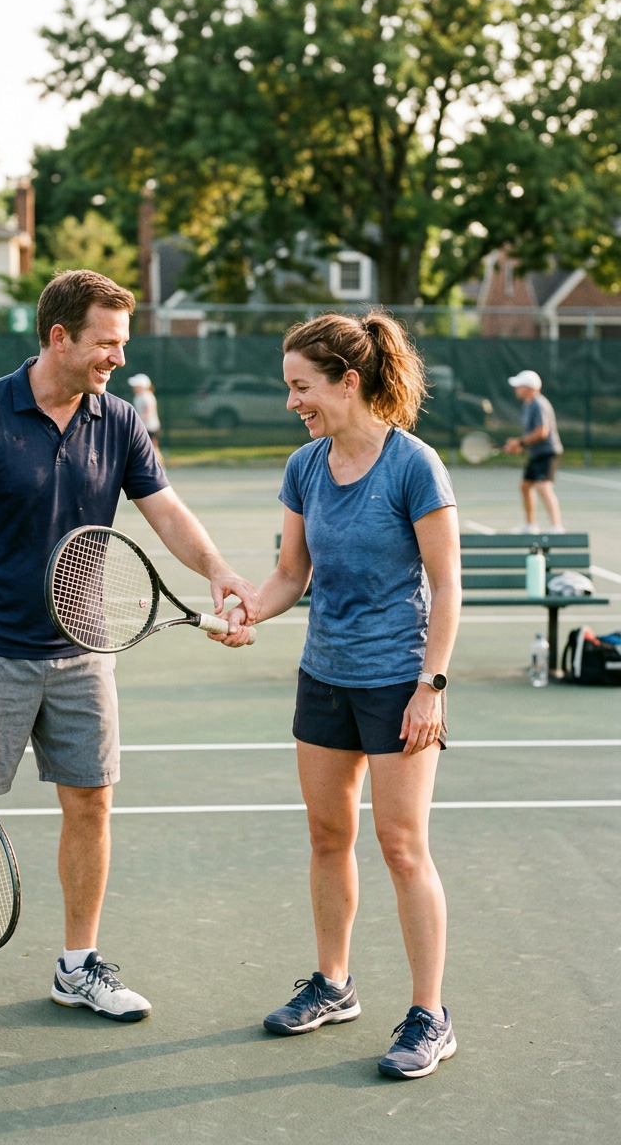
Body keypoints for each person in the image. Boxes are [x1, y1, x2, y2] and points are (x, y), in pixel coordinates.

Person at [0, 269, 259, 1032]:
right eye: (105, 343)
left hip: (84, 651)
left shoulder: (118, 420)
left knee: (91, 803)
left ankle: (78, 966)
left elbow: (166, 511)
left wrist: (221, 572)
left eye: (121, 345)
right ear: (60, 336)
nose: (115, 359)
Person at [216, 311, 462, 1080]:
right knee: (328, 837)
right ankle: (333, 984)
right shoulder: (306, 467)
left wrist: (431, 686)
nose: (294, 402)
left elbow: (448, 585)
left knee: (401, 847)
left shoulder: (414, 466)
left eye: (302, 387)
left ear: (347, 382)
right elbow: (293, 573)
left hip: (398, 682)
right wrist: (250, 608)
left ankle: (430, 1014)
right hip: (324, 676)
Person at [503, 370, 564, 534]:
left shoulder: (539, 404)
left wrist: (520, 442)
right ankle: (530, 525)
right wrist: (519, 446)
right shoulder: (528, 405)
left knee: (543, 487)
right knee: (525, 486)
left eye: (519, 385)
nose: (516, 388)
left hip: (548, 452)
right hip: (536, 453)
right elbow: (532, 434)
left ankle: (556, 527)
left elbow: (542, 431)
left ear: (528, 387)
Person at [127, 373, 163, 464]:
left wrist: (135, 422)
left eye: (136, 385)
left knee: (153, 448)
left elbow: (147, 413)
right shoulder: (139, 396)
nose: (134, 387)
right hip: (145, 426)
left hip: (150, 427)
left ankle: (160, 469)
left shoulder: (146, 397)